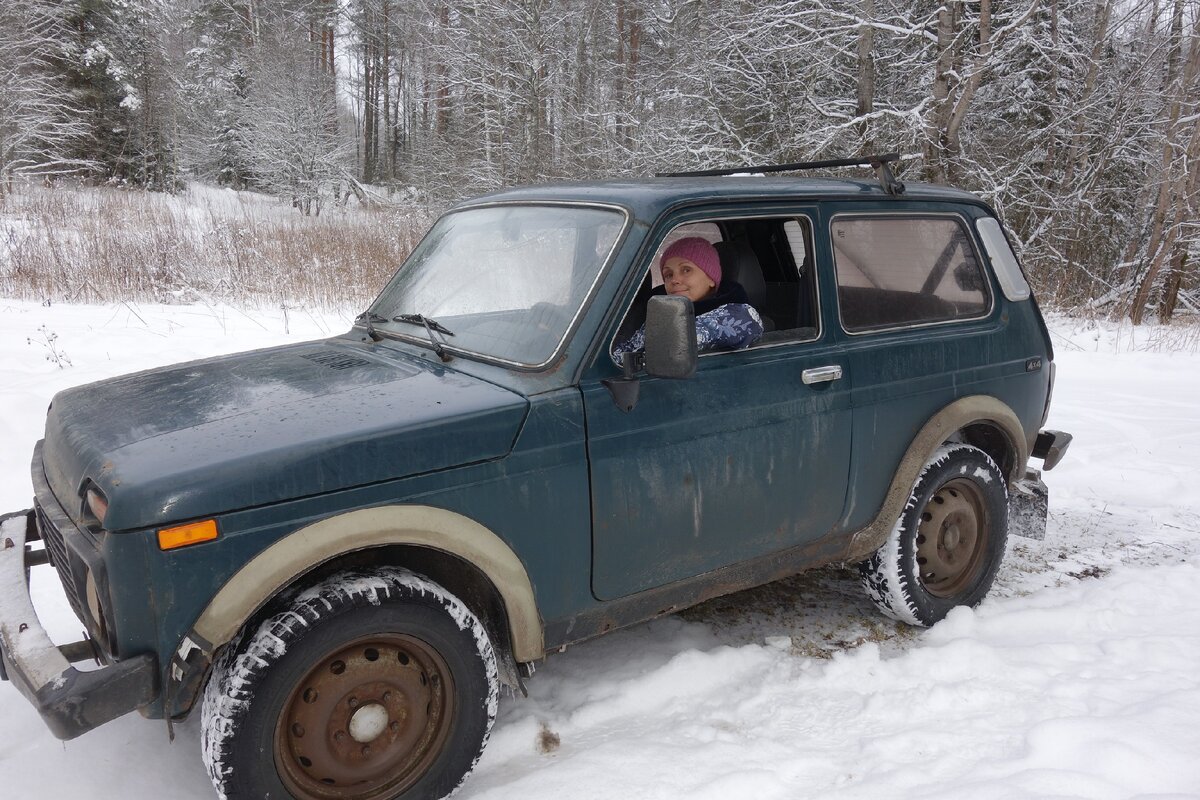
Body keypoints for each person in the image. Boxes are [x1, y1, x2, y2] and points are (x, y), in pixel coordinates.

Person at [612, 236, 763, 363]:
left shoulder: (741, 314)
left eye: (686, 270)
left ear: (711, 279)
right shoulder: (657, 311)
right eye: (668, 274)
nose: (675, 280)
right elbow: (623, 355)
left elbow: (682, 340)